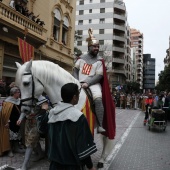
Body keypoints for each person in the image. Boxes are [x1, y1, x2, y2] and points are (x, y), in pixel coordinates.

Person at [39, 83, 97, 170]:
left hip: (54, 165)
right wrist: (90, 166)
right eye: (78, 94)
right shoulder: (79, 117)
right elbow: (83, 146)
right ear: (74, 97)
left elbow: (41, 130)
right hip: (72, 166)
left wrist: (43, 110)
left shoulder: (51, 113)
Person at [73, 28, 105, 133]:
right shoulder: (81, 58)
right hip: (79, 83)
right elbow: (76, 70)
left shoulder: (100, 61)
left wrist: (88, 83)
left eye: (98, 47)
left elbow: (99, 76)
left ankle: (100, 125)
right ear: (89, 47)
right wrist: (76, 81)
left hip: (93, 84)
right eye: (95, 47)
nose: (97, 48)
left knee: (98, 99)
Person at [17, 95, 48, 170]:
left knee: (30, 141)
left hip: (37, 123)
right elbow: (24, 110)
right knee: (31, 139)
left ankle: (25, 164)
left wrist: (37, 117)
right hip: (28, 123)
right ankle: (40, 154)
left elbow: (46, 109)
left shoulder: (41, 98)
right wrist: (20, 119)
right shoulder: (26, 96)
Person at [0, 87, 24, 157]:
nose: (19, 93)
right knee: (9, 136)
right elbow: (4, 113)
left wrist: (20, 119)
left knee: (17, 135)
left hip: (18, 121)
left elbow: (22, 110)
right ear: (14, 93)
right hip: (10, 122)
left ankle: (16, 147)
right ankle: (9, 150)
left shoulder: (20, 101)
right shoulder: (7, 102)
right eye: (18, 92)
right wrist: (6, 121)